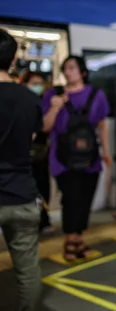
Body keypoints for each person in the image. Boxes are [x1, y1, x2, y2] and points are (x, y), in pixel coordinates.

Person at [42, 56, 111, 261]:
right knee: (71, 199)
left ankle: (77, 240)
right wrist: (55, 107)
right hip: (62, 159)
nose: (68, 72)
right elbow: (45, 127)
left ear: (82, 72)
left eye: (72, 68)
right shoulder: (52, 95)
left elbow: (102, 125)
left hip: (90, 158)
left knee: (85, 199)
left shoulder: (97, 95)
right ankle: (71, 242)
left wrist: (106, 152)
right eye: (65, 68)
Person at [0, 30, 42, 311]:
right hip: (23, 195)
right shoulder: (29, 98)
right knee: (28, 272)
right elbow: (33, 139)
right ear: (14, 59)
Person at [21, 70, 53, 233]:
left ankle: (43, 219)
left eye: (40, 84)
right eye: (34, 83)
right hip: (22, 155)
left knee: (42, 187)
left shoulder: (43, 103)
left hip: (41, 153)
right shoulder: (19, 103)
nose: (38, 87)